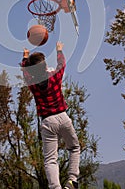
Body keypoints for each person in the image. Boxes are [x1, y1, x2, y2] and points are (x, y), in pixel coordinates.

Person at [21, 42, 80, 189]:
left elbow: (25, 72)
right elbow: (62, 65)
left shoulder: (32, 83)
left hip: (47, 122)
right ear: (45, 66)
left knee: (50, 160)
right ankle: (72, 180)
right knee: (74, 148)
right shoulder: (54, 77)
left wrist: (25, 57)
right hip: (63, 117)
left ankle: (56, 187)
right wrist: (59, 50)